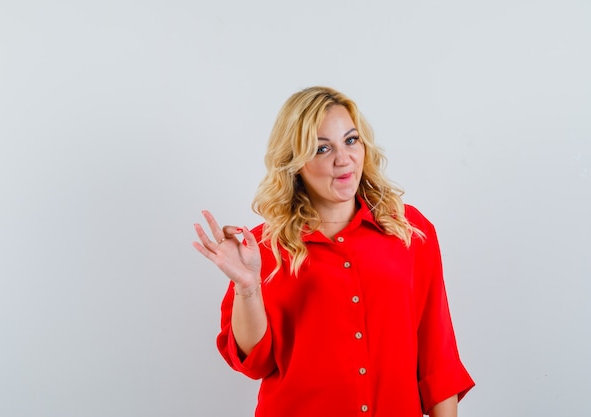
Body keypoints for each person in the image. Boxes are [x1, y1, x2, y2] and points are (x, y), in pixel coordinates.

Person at [192, 86, 474, 417]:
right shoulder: (261, 248)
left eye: (351, 141)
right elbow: (254, 361)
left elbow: (437, 358)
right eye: (322, 148)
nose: (344, 159)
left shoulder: (409, 230)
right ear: (294, 163)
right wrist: (248, 288)